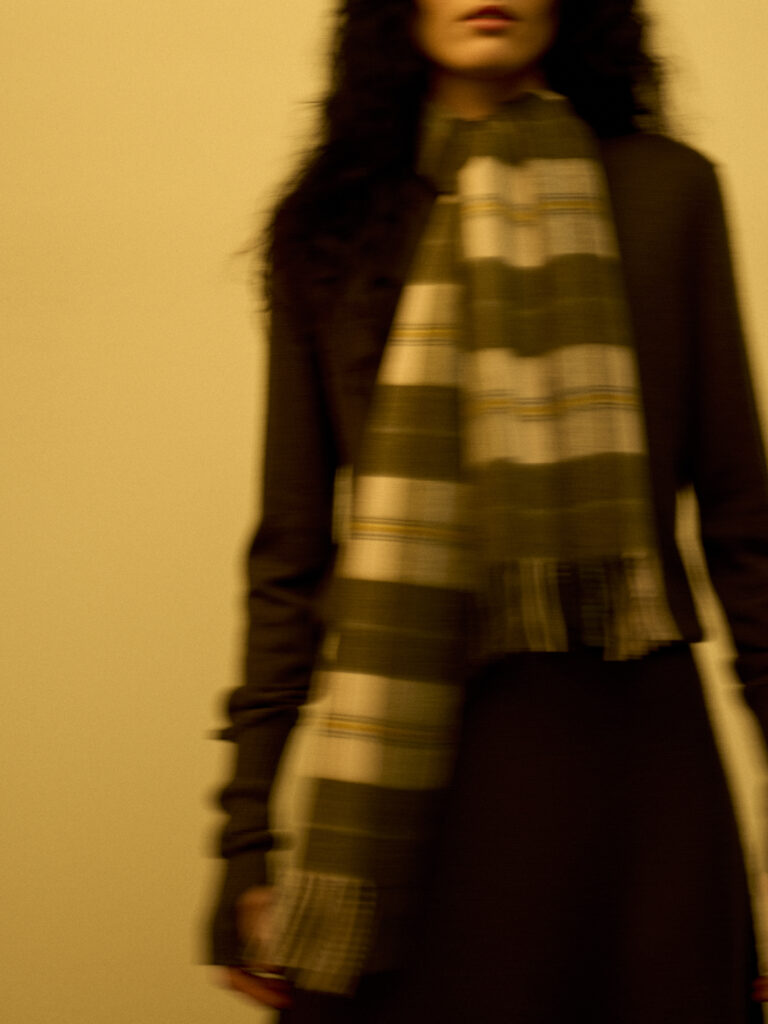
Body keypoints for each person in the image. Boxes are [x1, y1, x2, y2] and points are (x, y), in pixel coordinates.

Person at [208, 1, 768, 1020]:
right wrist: (245, 838)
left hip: (643, 796)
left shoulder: (668, 191)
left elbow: (746, 528)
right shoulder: (337, 224)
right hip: (417, 799)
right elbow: (291, 553)